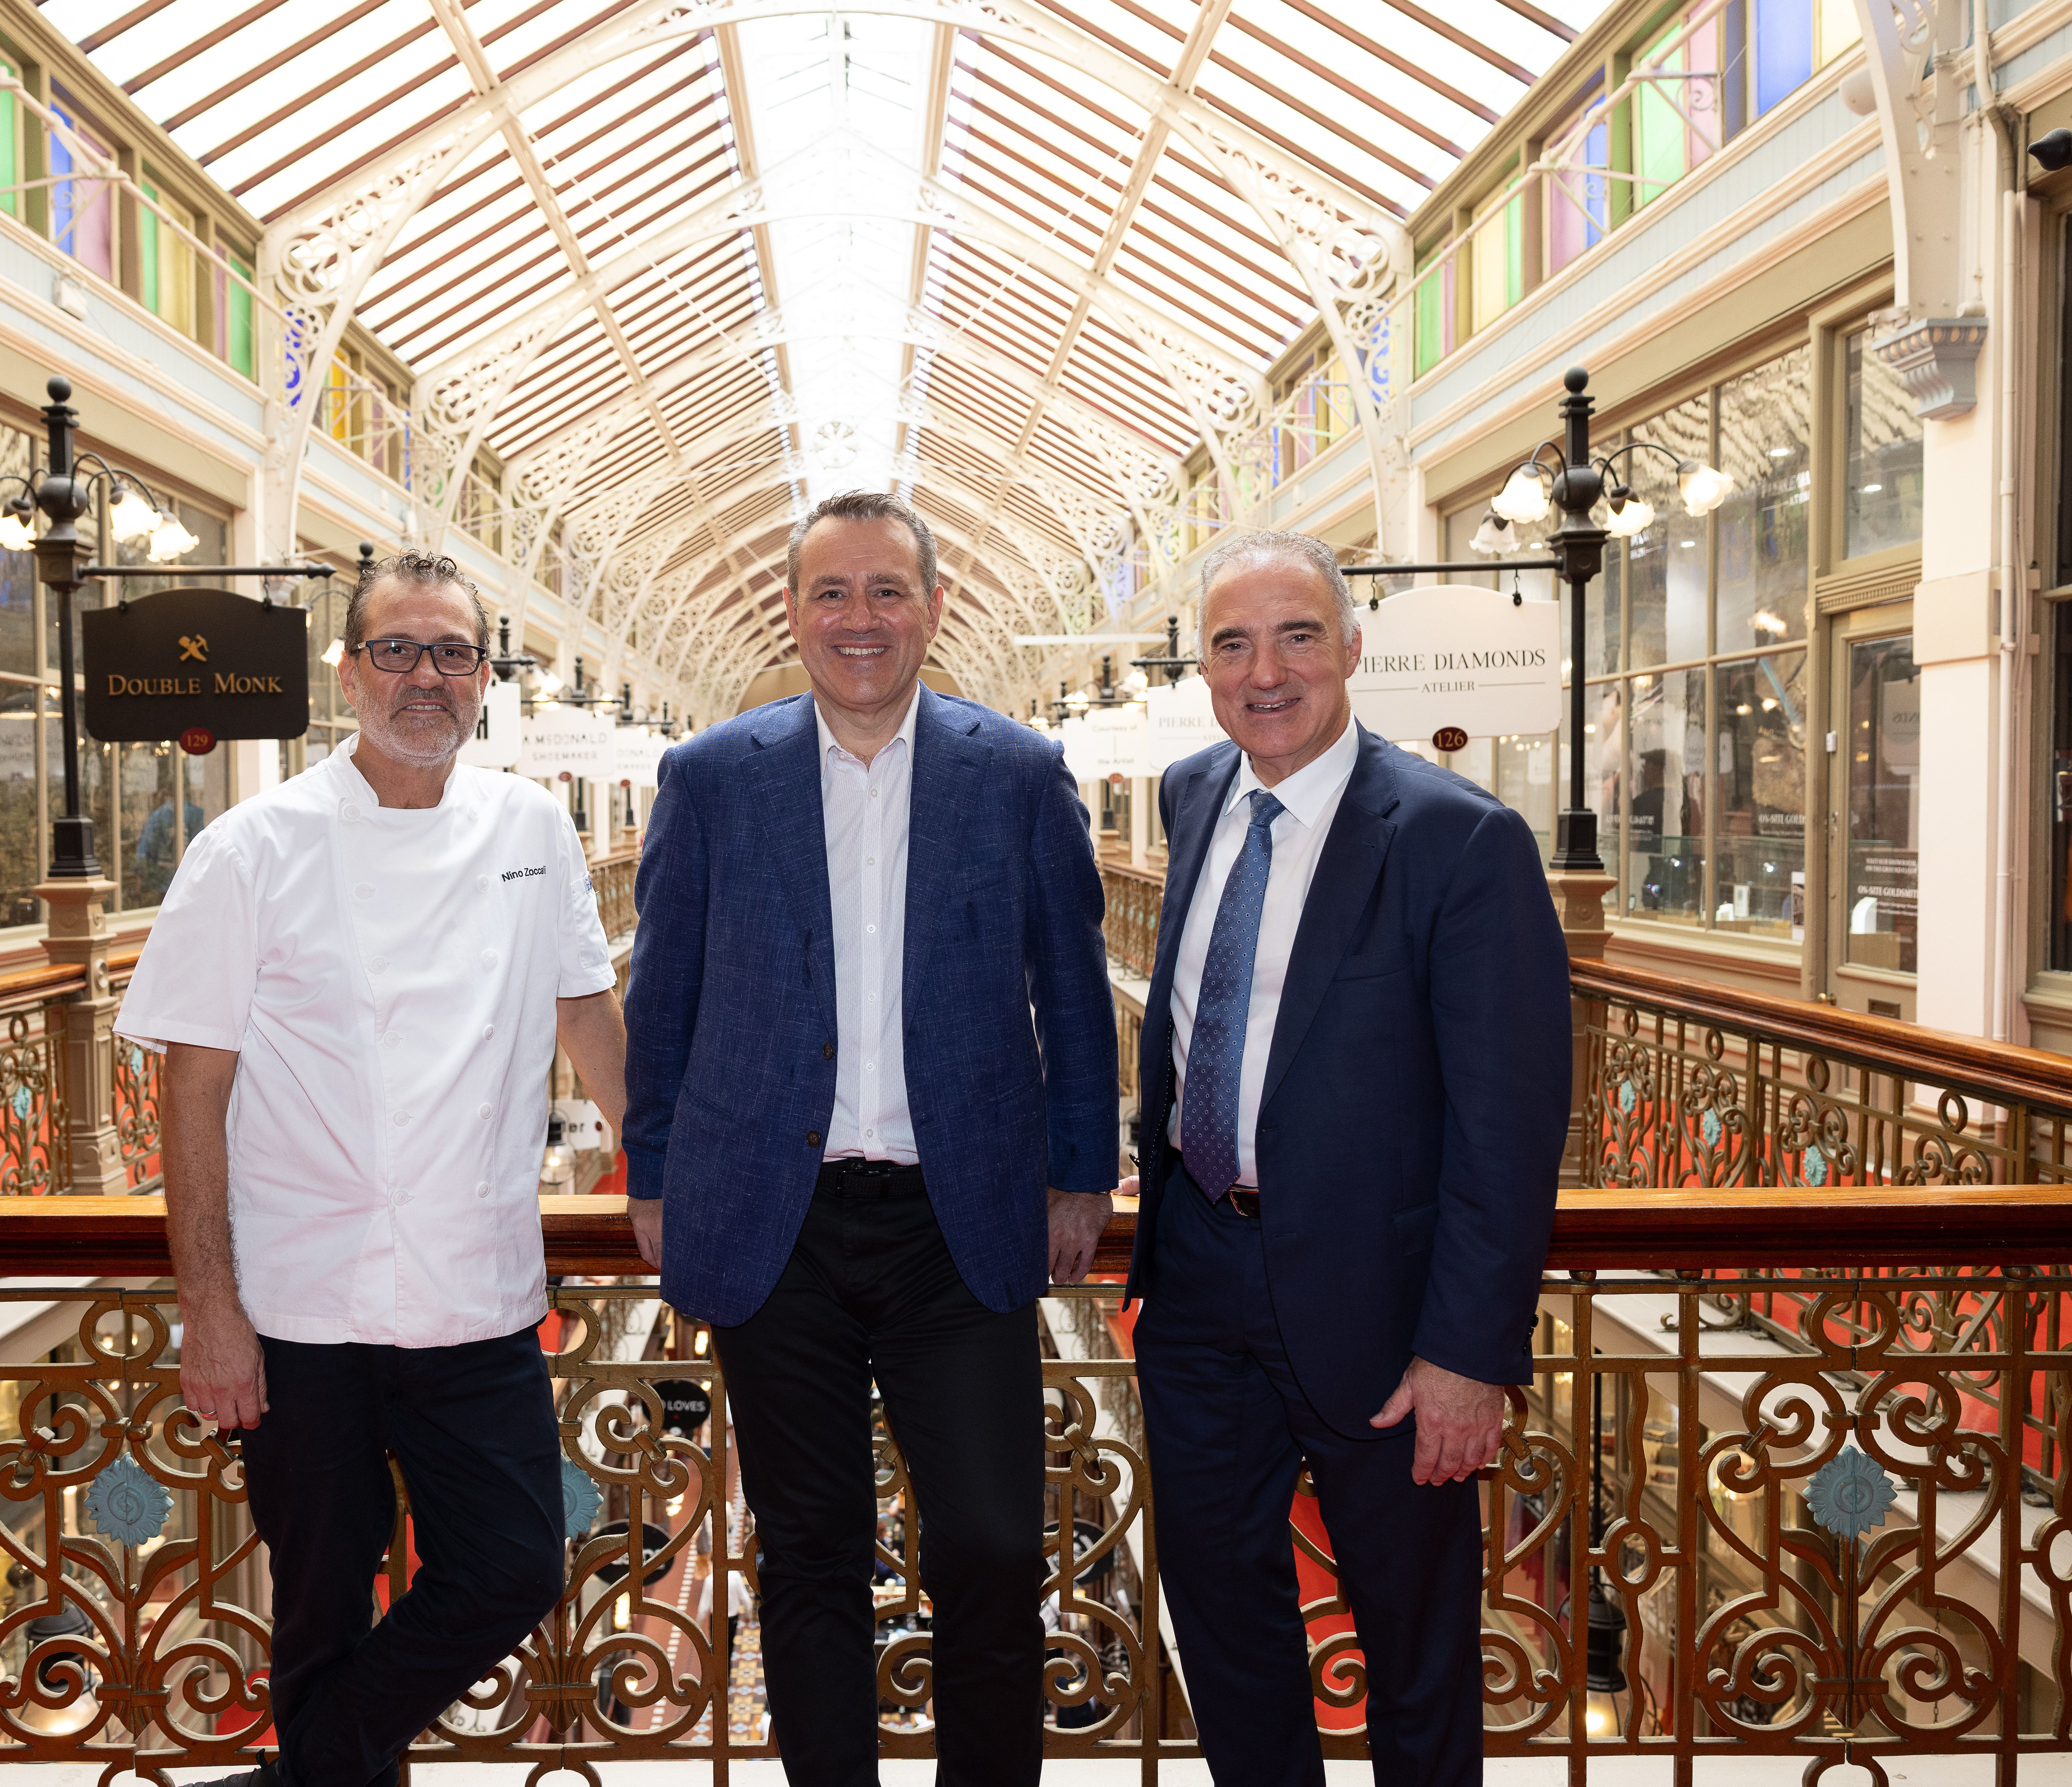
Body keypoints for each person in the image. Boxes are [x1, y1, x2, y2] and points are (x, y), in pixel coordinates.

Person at [623, 489, 1120, 1787]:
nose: (859, 619)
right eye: (830, 593)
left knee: (997, 1550)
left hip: (955, 1225)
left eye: (886, 591)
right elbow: (659, 998)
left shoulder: (1012, 773)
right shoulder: (710, 778)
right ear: (790, 613)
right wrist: (654, 1176)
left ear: (932, 609)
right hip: (769, 1221)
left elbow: (1071, 992)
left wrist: (1080, 1169)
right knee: (809, 1553)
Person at [116, 551, 628, 1787]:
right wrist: (208, 1309)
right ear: (346, 676)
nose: (424, 675)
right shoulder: (253, 846)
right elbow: (192, 1091)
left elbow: (586, 1016)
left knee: (510, 1564)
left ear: (484, 680)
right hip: (301, 1306)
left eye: (451, 652)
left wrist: (658, 1168)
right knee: (319, 1611)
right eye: (396, 650)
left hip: (475, 1289)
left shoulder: (530, 824)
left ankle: (298, 1778)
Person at [1120, 529, 1573, 1787]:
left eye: (1295, 636)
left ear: (1350, 649)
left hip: (1383, 1316)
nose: (1263, 671)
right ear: (1199, 664)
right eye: (1230, 643)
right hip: (1199, 1274)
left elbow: (1508, 1125)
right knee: (1221, 1618)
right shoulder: (1191, 792)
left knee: (1414, 1642)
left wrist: (1466, 1355)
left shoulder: (1456, 842)